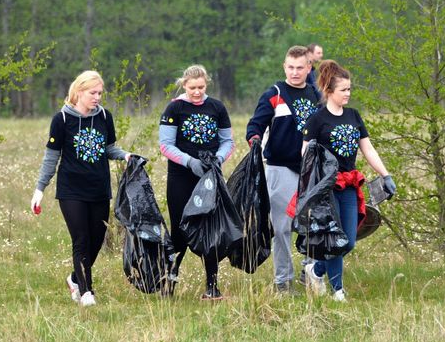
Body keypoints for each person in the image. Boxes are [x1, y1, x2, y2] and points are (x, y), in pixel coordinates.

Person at [30, 70, 131, 307]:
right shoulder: (62, 120)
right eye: (92, 93)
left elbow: (108, 149)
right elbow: (51, 158)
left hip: (99, 190)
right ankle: (87, 292)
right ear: (79, 92)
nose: (97, 97)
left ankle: (75, 278)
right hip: (71, 191)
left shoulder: (105, 116)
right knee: (81, 239)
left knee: (96, 242)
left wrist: (125, 155)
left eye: (100, 93)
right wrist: (39, 189)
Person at [301, 60, 396, 302]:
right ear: (329, 91)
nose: (348, 94)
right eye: (344, 90)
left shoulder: (354, 116)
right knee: (335, 237)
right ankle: (338, 291)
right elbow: (305, 154)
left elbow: (368, 149)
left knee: (349, 241)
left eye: (350, 89)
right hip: (327, 187)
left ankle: (315, 270)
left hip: (350, 184)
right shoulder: (317, 119)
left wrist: (386, 175)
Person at [246, 45, 320, 293]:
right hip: (280, 169)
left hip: (311, 171)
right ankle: (282, 282)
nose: (295, 72)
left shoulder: (316, 95)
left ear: (309, 68)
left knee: (314, 225)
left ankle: (309, 273)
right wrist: (254, 140)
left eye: (300, 68)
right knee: (282, 228)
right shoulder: (274, 94)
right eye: (291, 67)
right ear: (284, 67)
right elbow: (255, 125)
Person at [159, 64, 234, 300]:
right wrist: (189, 162)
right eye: (192, 88)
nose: (197, 92)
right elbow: (165, 145)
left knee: (210, 229)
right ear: (184, 85)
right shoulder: (175, 108)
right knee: (180, 229)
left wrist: (218, 158)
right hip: (181, 175)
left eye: (201, 87)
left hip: (210, 176)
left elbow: (228, 141)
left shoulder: (217, 107)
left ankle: (212, 286)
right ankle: (169, 280)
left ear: (206, 84)